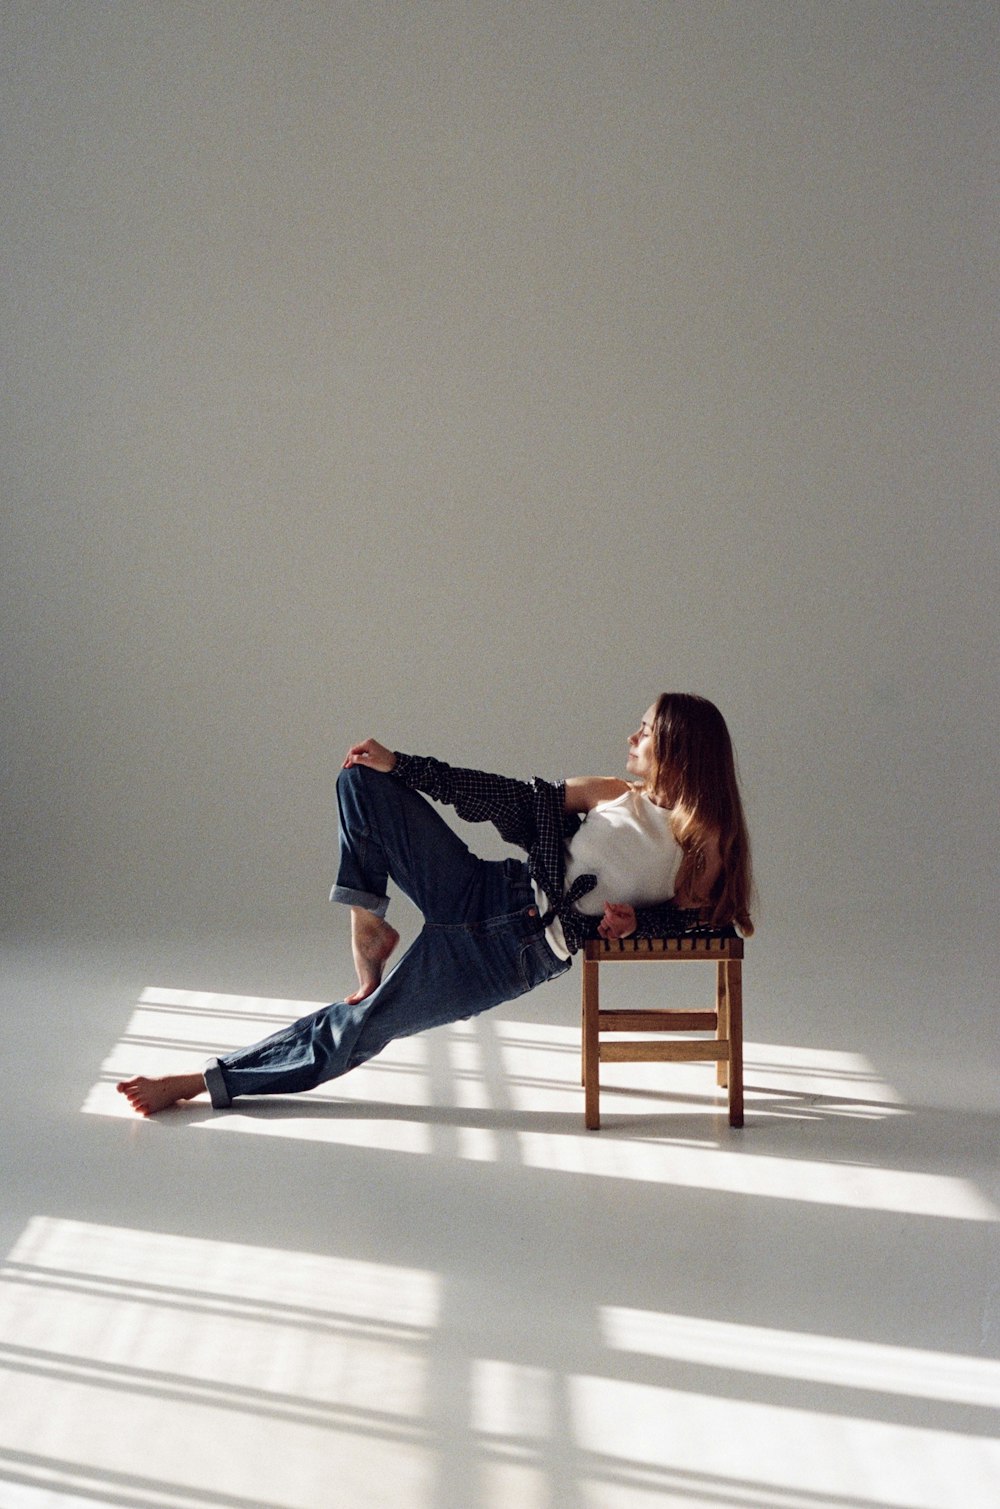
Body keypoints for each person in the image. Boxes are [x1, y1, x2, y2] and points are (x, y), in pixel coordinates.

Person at [117, 693, 753, 1116]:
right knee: (362, 777)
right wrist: (407, 766)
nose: (632, 734)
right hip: (485, 886)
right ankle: (369, 921)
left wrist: (640, 923)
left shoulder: (704, 839)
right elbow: (505, 797)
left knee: (362, 1030)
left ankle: (205, 1081)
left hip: (508, 957)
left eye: (645, 728)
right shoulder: (615, 793)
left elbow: (707, 920)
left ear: (677, 743)